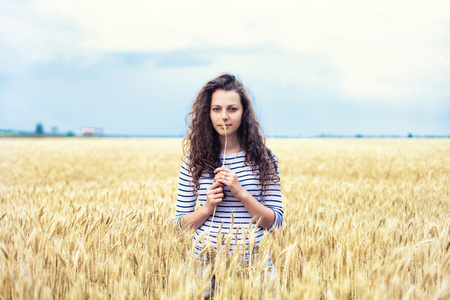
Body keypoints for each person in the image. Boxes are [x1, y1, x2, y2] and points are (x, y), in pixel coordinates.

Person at [175, 73, 283, 296]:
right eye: (216, 109)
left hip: (255, 271)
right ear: (208, 112)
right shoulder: (193, 161)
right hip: (204, 271)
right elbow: (181, 224)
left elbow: (276, 222)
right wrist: (207, 208)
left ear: (244, 113)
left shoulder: (264, 159)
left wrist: (241, 193)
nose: (223, 116)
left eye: (232, 109)